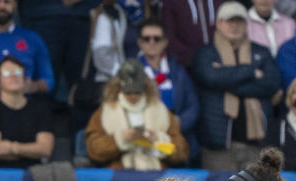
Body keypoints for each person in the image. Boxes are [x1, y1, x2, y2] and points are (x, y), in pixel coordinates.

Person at [193, 4, 280, 171]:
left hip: (257, 145)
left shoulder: (261, 52)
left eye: (239, 21)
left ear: (246, 24)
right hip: (218, 146)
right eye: (229, 21)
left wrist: (226, 81)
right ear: (218, 23)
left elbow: (271, 84)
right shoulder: (205, 53)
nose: (234, 26)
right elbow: (210, 77)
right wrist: (253, 72)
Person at [85, 59, 188, 169]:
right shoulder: (104, 112)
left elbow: (181, 152)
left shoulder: (161, 110)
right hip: (120, 174)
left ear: (145, 88)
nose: (133, 96)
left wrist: (157, 139)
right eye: (128, 92)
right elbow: (93, 149)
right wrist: (120, 138)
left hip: (157, 175)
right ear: (118, 87)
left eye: (137, 92)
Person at [133, 18, 199, 156]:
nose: (152, 42)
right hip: (143, 141)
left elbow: (193, 106)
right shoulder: (131, 72)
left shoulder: (178, 71)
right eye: (146, 38)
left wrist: (176, 125)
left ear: (165, 42)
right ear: (140, 42)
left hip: (176, 139)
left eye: (157, 38)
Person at [0, 55, 54, 168]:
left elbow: (45, 149)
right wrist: (31, 151)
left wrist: (11, 148)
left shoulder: (40, 109)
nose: (13, 76)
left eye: (18, 72)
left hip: (35, 174)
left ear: (26, 79)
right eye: (7, 73)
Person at [158, 0, 218, 70]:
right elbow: (169, 37)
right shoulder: (171, 2)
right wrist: (195, 59)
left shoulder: (219, 2)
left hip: (219, 62)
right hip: (185, 65)